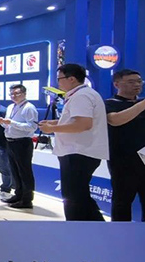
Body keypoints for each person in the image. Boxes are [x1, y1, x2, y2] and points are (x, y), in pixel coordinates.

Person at [39, 64, 108, 221]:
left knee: (73, 198)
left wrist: (52, 129)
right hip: (78, 152)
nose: (57, 82)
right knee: (79, 196)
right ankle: (97, 228)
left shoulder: (81, 96)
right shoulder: (82, 94)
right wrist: (55, 123)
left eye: (59, 79)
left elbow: (82, 124)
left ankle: (76, 229)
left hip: (78, 152)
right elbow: (76, 120)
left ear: (71, 79)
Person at [104, 69, 145, 221]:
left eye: (139, 81)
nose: (137, 85)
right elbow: (115, 120)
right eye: (131, 82)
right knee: (122, 202)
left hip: (144, 158)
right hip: (122, 161)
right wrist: (142, 105)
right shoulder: (109, 104)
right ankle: (119, 233)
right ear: (117, 84)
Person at [0, 84, 38, 209]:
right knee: (15, 171)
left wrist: (12, 122)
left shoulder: (29, 108)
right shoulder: (11, 107)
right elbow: (9, 125)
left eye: (16, 93)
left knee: (24, 171)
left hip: (22, 142)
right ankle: (18, 194)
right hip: (10, 141)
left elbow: (32, 127)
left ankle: (27, 199)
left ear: (24, 94)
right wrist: (2, 122)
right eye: (11, 94)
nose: (13, 96)